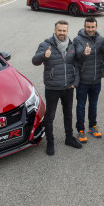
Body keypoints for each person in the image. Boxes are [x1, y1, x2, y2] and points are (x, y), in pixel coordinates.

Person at [32, 20, 82, 156]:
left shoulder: (71, 45)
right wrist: (43, 55)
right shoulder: (45, 45)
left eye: (64, 31)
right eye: (59, 30)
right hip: (52, 87)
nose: (62, 33)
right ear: (55, 30)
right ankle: (50, 142)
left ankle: (69, 138)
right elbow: (35, 61)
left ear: (67, 31)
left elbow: (75, 65)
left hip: (68, 87)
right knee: (50, 116)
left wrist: (75, 82)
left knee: (68, 114)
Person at [73, 17, 104, 143]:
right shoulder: (78, 39)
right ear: (84, 27)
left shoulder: (101, 39)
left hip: (96, 80)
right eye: (88, 27)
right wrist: (84, 53)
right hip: (83, 80)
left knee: (93, 105)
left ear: (96, 27)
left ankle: (92, 126)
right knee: (81, 106)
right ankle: (81, 130)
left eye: (93, 27)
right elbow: (76, 55)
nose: (90, 29)